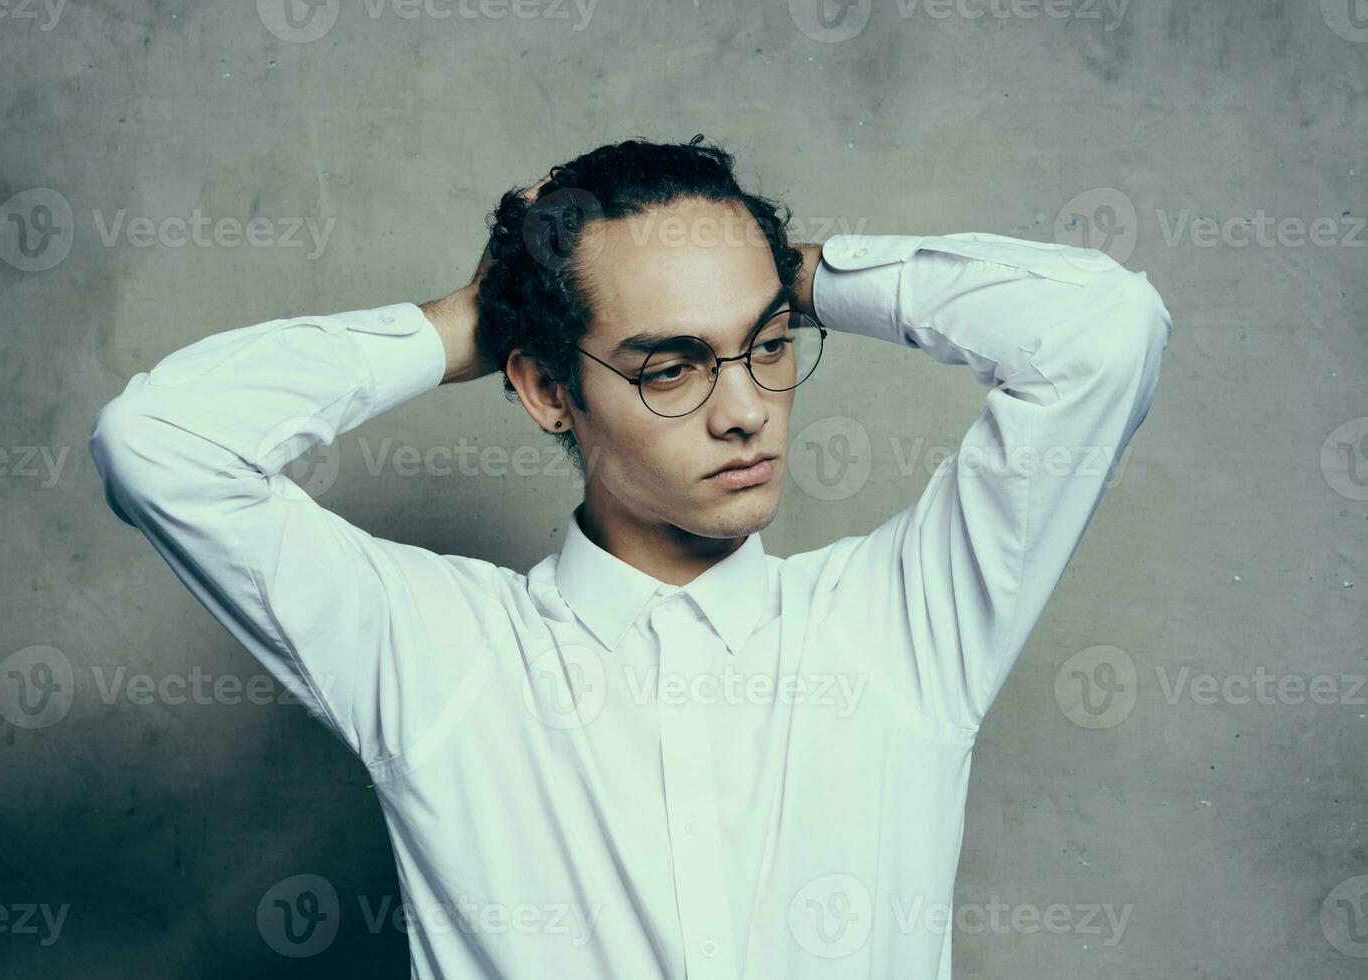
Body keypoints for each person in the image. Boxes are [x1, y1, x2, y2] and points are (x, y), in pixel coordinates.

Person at [88, 135, 1171, 979]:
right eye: (673, 366)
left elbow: (1104, 329)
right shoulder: (435, 653)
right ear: (548, 389)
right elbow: (161, 447)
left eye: (771, 343)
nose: (748, 409)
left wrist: (785, 271)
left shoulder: (903, 626)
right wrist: (471, 318)